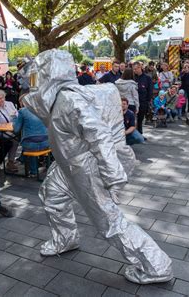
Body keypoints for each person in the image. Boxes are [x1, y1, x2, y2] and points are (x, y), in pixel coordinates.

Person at [22, 49, 172, 285]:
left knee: (108, 222)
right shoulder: (57, 98)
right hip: (66, 164)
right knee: (52, 196)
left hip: (85, 168)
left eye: (37, 75)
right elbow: (34, 101)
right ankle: (65, 238)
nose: (33, 81)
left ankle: (156, 266)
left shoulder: (69, 100)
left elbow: (99, 135)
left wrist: (112, 174)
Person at [13, 94, 49, 176]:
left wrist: (14, 118)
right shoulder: (42, 109)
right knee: (33, 140)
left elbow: (16, 129)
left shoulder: (22, 111)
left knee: (29, 143)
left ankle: (33, 171)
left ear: (23, 103)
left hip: (31, 145)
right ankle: (45, 165)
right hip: (46, 143)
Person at [0, 90, 19, 173]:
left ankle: (25, 159)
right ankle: (10, 162)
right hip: (3, 131)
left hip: (14, 128)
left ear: (4, 97)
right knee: (15, 140)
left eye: (1, 98)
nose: (0, 101)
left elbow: (16, 115)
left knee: (25, 136)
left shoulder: (9, 104)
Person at [133, 61, 153, 136]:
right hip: (134, 101)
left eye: (136, 69)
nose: (134, 70)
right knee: (133, 119)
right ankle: (134, 134)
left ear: (140, 68)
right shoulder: (132, 77)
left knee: (140, 119)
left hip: (143, 101)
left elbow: (150, 90)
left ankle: (140, 133)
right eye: (133, 69)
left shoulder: (147, 78)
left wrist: (148, 101)